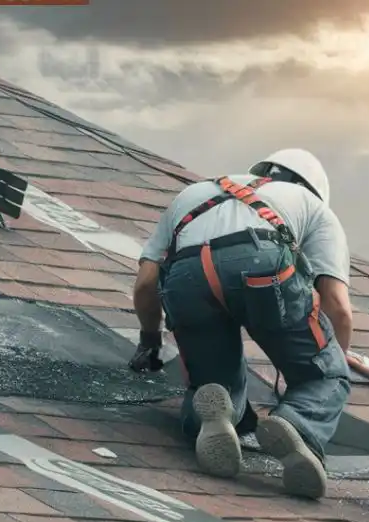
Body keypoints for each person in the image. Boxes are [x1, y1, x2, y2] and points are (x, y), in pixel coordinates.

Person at [128, 148, 353, 500]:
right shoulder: (314, 208)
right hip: (263, 268)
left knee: (212, 381)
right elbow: (337, 306)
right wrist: (330, 362)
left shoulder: (192, 193)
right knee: (324, 378)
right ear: (314, 189)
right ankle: (297, 424)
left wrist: (149, 341)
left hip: (188, 278)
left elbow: (145, 283)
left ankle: (214, 413)